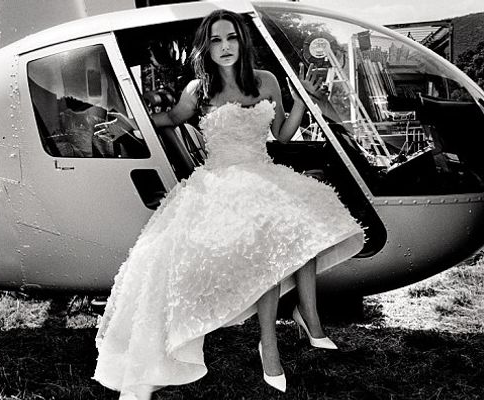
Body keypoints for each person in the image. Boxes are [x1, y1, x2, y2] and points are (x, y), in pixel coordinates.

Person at [93, 9, 364, 399]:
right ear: (206, 47)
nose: (225, 47)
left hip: (262, 171)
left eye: (231, 37)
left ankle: (309, 317)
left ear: (242, 41)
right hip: (221, 180)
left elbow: (282, 136)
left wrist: (305, 100)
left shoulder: (266, 81)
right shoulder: (198, 90)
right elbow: (170, 118)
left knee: (305, 214)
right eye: (216, 40)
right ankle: (272, 345)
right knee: (269, 237)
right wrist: (130, 124)